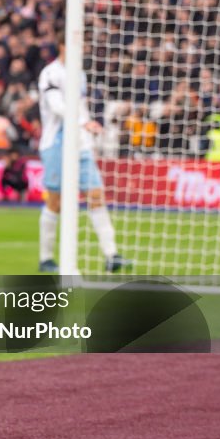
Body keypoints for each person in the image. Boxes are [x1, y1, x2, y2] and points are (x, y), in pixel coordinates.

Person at [37, 35, 130, 274]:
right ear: (62, 45)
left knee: (96, 194)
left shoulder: (80, 75)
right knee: (56, 201)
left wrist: (89, 124)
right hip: (56, 143)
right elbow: (56, 106)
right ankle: (46, 258)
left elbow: (81, 108)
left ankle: (112, 255)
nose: (82, 49)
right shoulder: (50, 73)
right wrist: (83, 122)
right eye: (76, 44)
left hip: (81, 143)